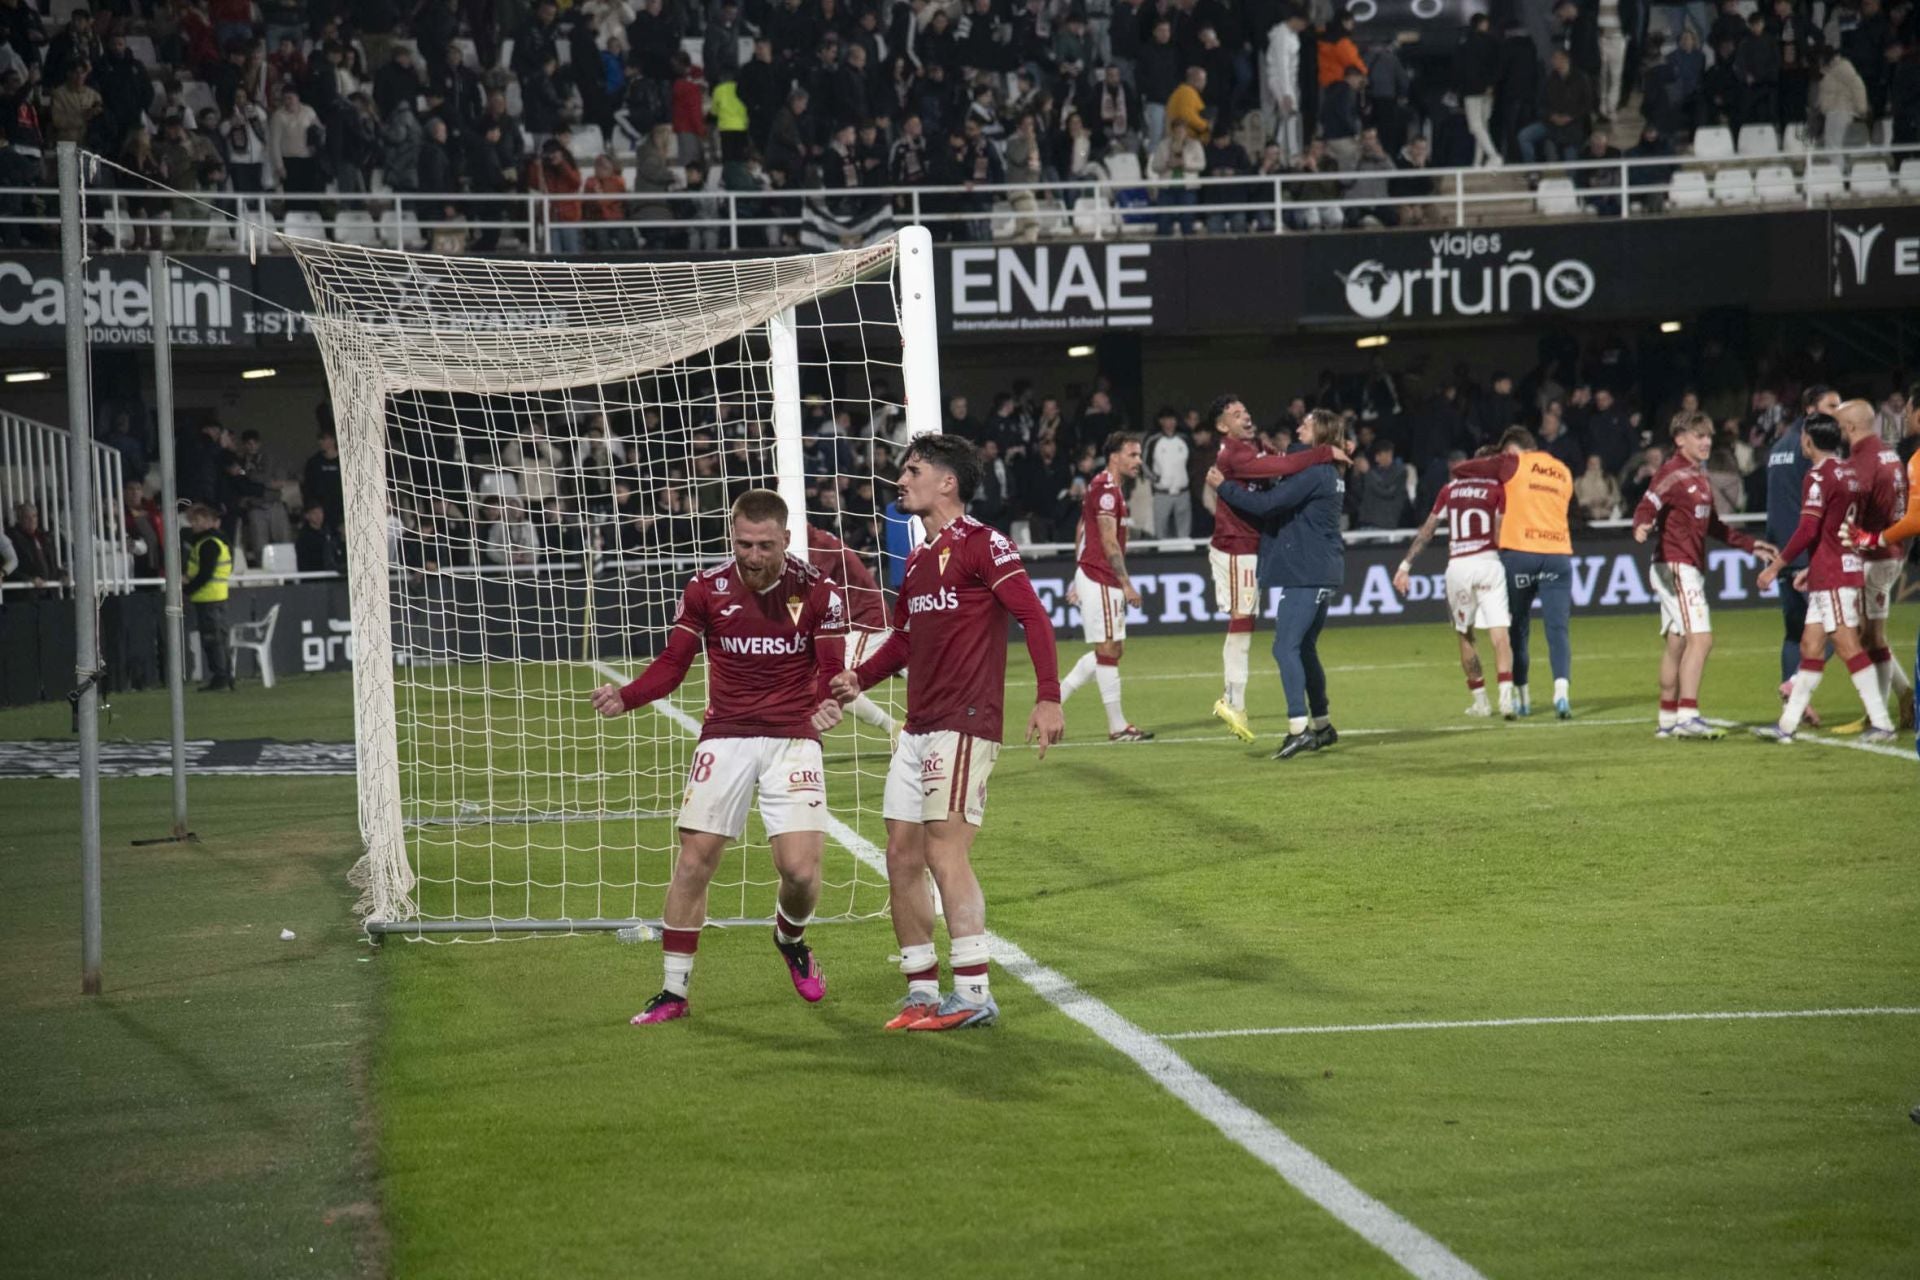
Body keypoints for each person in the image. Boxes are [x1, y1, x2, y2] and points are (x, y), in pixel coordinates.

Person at [829, 435, 1064, 1031]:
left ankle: (974, 992)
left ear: (947, 483)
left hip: (965, 721)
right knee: (901, 855)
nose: (900, 481)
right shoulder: (917, 560)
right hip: (918, 727)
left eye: (913, 471)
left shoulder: (986, 545)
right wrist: (860, 677)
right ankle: (920, 991)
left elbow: (1032, 616)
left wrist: (1048, 696)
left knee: (943, 848)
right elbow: (905, 640)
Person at [589, 489, 849, 1025]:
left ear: (786, 540)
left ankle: (789, 938)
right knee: (693, 862)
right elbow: (673, 664)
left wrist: (828, 702)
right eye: (743, 544)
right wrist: (628, 695)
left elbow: (830, 668)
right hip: (725, 736)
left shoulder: (821, 591)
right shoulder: (705, 588)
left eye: (764, 546)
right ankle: (673, 991)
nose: (752, 556)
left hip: (793, 738)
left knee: (799, 872)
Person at [1208, 409, 1348, 760]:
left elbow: (1269, 505)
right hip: (1318, 568)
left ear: (1319, 434)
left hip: (1307, 571)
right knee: (1304, 648)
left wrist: (1223, 487)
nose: (1299, 426)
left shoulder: (1315, 472)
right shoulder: (1323, 470)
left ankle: (1297, 728)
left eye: (1306, 423)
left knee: (1284, 648)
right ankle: (1322, 725)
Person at [1632, 413, 1776, 739]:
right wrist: (1640, 524)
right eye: (1699, 435)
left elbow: (1714, 527)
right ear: (1680, 438)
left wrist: (1751, 545)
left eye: (1709, 435)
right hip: (1676, 565)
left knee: (1677, 643)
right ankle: (1688, 715)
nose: (1707, 441)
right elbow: (1649, 502)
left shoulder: (1698, 476)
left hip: (1679, 565)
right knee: (1702, 639)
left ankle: (1667, 719)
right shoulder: (1672, 472)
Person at [1753, 415, 1895, 743]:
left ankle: (1882, 722)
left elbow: (1808, 529)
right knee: (1811, 646)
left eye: (1803, 437)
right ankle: (1787, 725)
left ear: (1808, 440)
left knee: (1847, 645)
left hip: (1833, 574)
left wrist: (1775, 567)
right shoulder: (1850, 472)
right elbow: (1834, 529)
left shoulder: (1817, 476)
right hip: (1835, 567)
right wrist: (1810, 568)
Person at [1452, 426, 1577, 718]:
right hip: (1558, 555)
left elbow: (1463, 469)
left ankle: (1522, 697)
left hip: (1520, 555)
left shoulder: (1513, 463)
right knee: (1558, 630)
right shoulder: (1563, 470)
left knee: (1517, 628)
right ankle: (1562, 695)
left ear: (1513, 450)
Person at [1394, 462, 1516, 718]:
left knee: (1465, 634)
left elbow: (1428, 530)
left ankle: (1481, 702)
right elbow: (1499, 530)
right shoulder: (1497, 488)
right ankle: (1506, 699)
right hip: (1488, 563)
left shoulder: (1449, 490)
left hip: (1459, 566)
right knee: (1499, 632)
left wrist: (1405, 565)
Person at [1058, 432, 1152, 742]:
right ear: (1115, 457)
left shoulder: (1103, 486)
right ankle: (1117, 726)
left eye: (1139, 455)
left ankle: (1054, 697)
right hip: (1102, 576)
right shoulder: (1107, 491)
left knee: (1111, 648)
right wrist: (1126, 584)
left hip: (1094, 574)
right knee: (1108, 648)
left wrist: (1076, 574)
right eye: (1133, 455)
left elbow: (1082, 529)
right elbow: (1108, 540)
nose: (1138, 460)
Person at [1830, 399, 1912, 733]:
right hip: (1892, 549)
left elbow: (1851, 512)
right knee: (1868, 635)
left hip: (1875, 555)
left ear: (1849, 428)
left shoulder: (1861, 463)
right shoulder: (1889, 453)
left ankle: (1878, 715)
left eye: (1838, 426)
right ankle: (1906, 696)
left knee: (1871, 637)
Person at [1765, 384, 1841, 721]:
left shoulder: (1780, 445)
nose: (1837, 412)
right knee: (1839, 630)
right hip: (1805, 554)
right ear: (1811, 408)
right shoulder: (1811, 448)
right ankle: (1796, 685)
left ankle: (1793, 704)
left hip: (1782, 550)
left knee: (1795, 633)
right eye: (1831, 405)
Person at [804, 521, 898, 740]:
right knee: (825, 682)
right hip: (846, 624)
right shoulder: (813, 540)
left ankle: (896, 730)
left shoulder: (816, 549)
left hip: (865, 621)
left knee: (836, 683)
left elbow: (814, 596)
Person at [182, 503, 234, 691]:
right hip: (217, 595)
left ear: (208, 522)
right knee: (219, 638)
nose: (193, 524)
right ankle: (226, 677)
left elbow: (205, 574)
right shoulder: (218, 540)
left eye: (197, 520)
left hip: (208, 597)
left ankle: (220, 678)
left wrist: (187, 588)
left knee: (213, 640)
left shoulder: (208, 543)